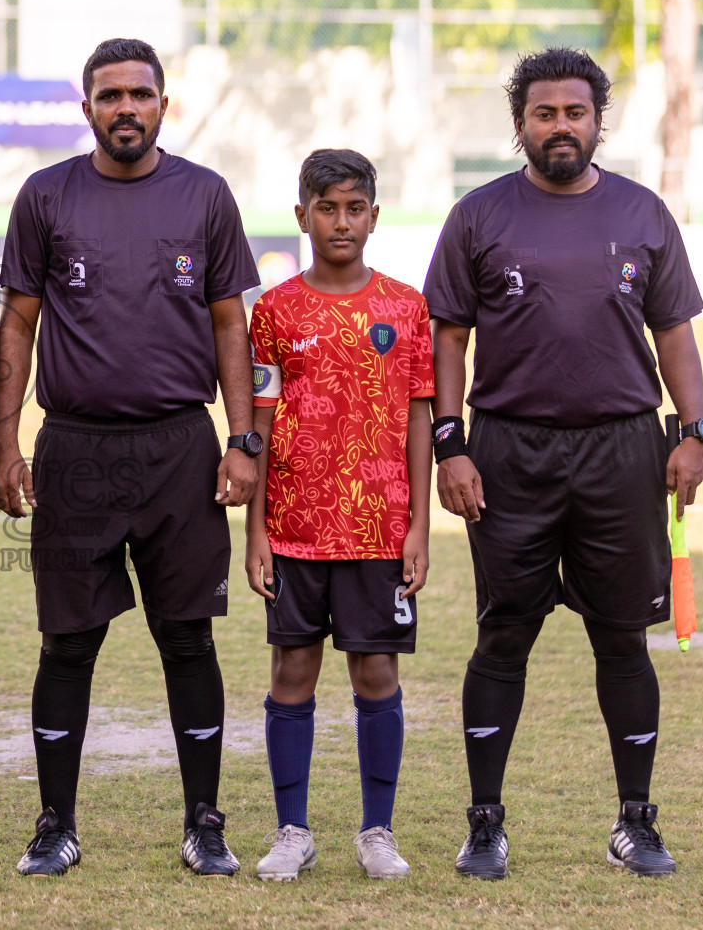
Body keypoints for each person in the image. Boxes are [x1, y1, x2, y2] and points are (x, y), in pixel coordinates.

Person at [424, 48, 703, 880]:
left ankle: (636, 821)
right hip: (510, 450)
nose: (560, 126)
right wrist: (452, 443)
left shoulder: (644, 212)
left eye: (574, 113)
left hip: (623, 448)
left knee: (623, 638)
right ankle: (484, 824)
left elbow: (676, 335)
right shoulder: (478, 216)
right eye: (544, 114)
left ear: (597, 121)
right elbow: (450, 337)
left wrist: (694, 430)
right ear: (520, 126)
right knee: (503, 634)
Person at [0, 37, 260, 878]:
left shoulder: (206, 196)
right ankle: (55, 824)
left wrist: (243, 440)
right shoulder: (45, 196)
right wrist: (4, 439)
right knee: (67, 644)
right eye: (109, 97)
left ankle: (204, 823)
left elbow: (229, 326)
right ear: (87, 110)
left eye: (140, 95)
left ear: (163, 106)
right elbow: (19, 323)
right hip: (75, 450)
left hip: (181, 446)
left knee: (189, 640)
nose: (125, 109)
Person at [244, 149, 433, 882]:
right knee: (292, 668)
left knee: (376, 671)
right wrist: (255, 529)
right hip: (293, 527)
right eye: (327, 207)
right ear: (302, 216)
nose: (341, 221)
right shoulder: (275, 311)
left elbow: (420, 418)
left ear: (375, 217)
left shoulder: (405, 306)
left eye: (355, 208)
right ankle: (293, 830)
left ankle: (376, 831)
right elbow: (258, 421)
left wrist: (418, 524)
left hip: (380, 529)